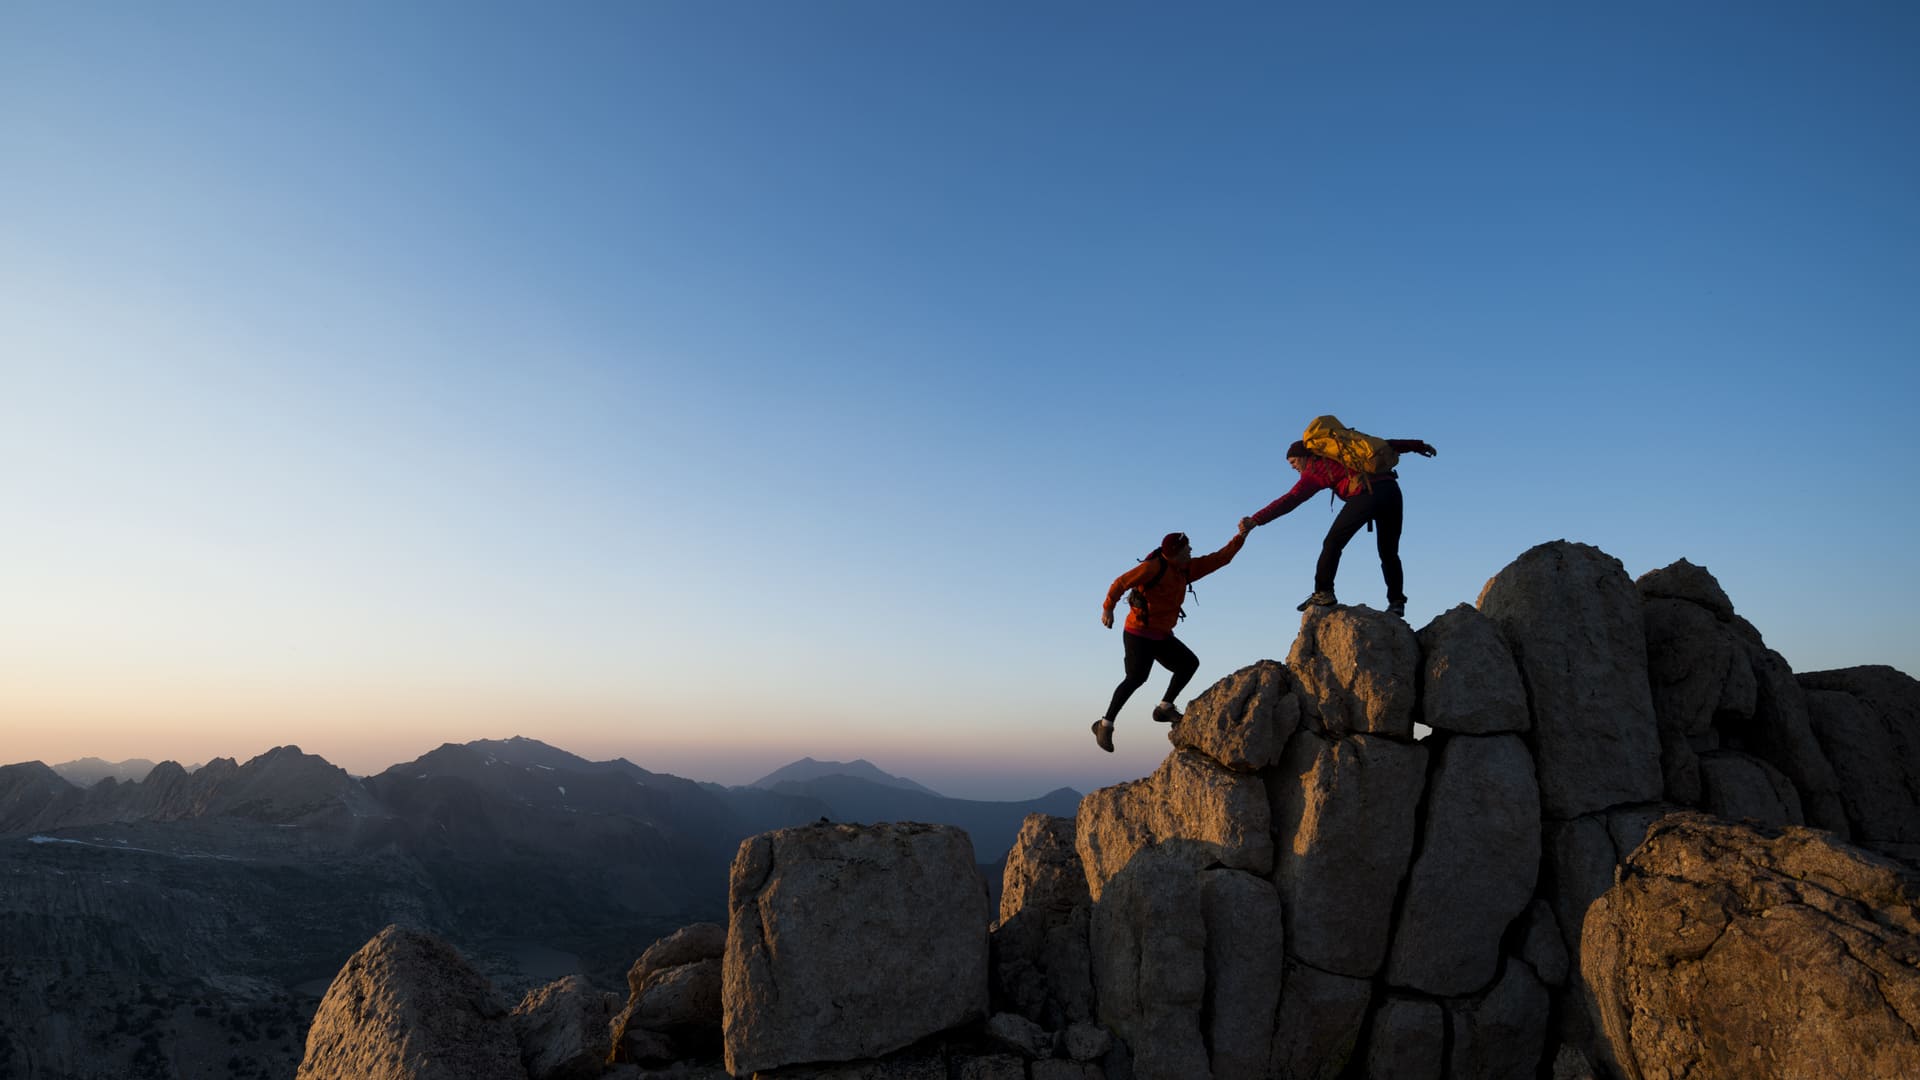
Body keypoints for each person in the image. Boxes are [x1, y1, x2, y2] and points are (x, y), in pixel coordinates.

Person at [1093, 520, 1252, 753]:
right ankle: (1104, 725)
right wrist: (1108, 608)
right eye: (1187, 548)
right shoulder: (1153, 568)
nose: (1191, 551)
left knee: (1188, 664)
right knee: (1136, 678)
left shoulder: (1186, 568)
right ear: (1176, 553)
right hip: (1138, 633)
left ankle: (1164, 708)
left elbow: (1220, 559)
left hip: (1161, 634)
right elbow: (1121, 582)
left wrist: (1241, 537)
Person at [1246, 433, 1437, 619]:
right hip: (1392, 492)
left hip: (1366, 495)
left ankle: (1323, 592)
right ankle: (1397, 602)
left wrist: (1257, 519)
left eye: (1294, 462)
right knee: (1389, 553)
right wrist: (1419, 446)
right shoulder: (1345, 453)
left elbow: (1291, 499)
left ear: (1305, 457)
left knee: (1332, 542)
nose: (1293, 467)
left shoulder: (1315, 470)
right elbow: (1387, 445)